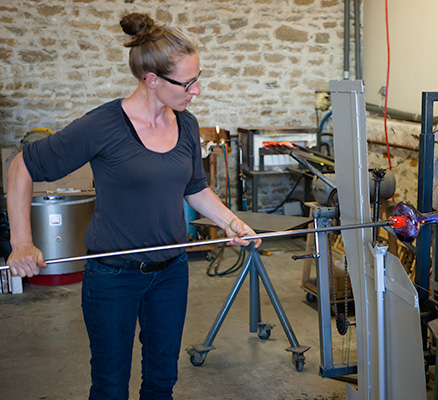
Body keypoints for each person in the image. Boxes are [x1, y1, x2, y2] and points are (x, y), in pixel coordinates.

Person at [6, 12, 260, 400]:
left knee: (162, 381)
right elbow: (22, 165)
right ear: (152, 80)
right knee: (110, 387)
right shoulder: (103, 125)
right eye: (188, 83)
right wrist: (22, 242)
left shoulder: (186, 125)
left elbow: (194, 188)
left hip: (171, 273)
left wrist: (231, 222)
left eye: (198, 78)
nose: (196, 91)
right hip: (113, 276)